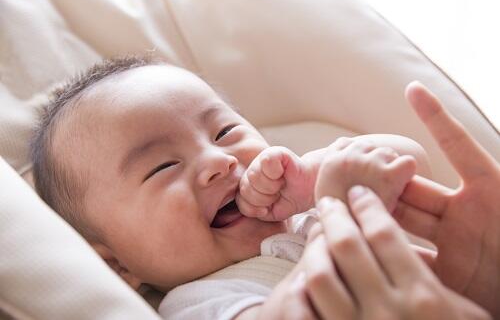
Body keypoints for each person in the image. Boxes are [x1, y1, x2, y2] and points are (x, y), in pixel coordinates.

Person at [30, 55, 429, 319]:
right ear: (117, 265)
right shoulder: (200, 303)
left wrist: (324, 174)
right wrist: (338, 217)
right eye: (163, 167)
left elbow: (413, 165)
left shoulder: (311, 204)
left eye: (225, 131)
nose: (219, 161)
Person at [267, 82, 497, 320]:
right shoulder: (227, 291)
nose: (224, 161)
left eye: (228, 132)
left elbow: (413, 162)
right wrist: (336, 204)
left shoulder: (305, 214)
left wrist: (315, 174)